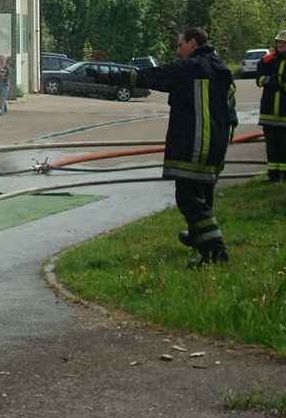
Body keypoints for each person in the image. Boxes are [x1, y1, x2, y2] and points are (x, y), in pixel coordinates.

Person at [86, 27, 237, 268]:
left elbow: (148, 77)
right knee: (203, 194)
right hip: (216, 144)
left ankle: (216, 253)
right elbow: (231, 109)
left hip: (194, 144)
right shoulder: (222, 69)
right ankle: (198, 236)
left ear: (193, 44)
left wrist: (106, 76)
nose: (177, 51)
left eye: (180, 45)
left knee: (188, 197)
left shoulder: (189, 68)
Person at [256, 30, 286, 183]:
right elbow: (259, 80)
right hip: (268, 112)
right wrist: (275, 81)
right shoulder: (266, 60)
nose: (281, 44)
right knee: (271, 147)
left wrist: (273, 81)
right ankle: (273, 176)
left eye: (284, 42)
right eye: (279, 42)